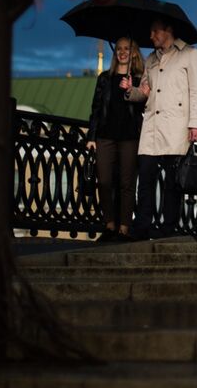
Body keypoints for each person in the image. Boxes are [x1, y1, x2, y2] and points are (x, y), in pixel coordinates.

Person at [132, 15, 197, 239]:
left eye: (155, 31)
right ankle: (143, 225)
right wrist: (131, 90)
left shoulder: (190, 54)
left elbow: (196, 90)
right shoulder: (151, 59)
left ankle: (167, 227)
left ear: (168, 31)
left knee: (172, 182)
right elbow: (143, 93)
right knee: (145, 178)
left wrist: (196, 124)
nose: (151, 36)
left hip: (176, 126)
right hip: (152, 126)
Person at [84, 35, 145, 242]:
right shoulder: (105, 78)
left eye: (127, 48)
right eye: (119, 48)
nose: (122, 52)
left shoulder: (139, 78)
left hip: (129, 136)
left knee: (127, 183)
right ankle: (109, 224)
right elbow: (96, 108)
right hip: (105, 136)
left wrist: (131, 88)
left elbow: (143, 107)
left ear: (133, 52)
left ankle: (124, 228)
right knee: (105, 181)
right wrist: (91, 136)